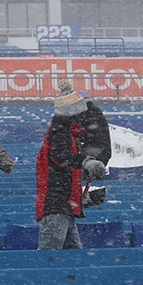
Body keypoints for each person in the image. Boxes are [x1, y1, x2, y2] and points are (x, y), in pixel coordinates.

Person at [36, 80, 110, 250]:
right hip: (55, 208)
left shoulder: (67, 133)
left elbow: (66, 177)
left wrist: (86, 199)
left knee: (73, 256)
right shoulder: (59, 132)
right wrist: (86, 162)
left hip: (64, 208)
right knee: (50, 256)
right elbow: (61, 157)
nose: (84, 118)